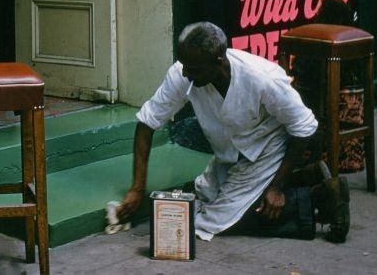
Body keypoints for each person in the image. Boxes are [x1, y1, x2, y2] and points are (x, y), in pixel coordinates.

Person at [116, 22, 350, 243]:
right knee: (205, 198)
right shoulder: (183, 72)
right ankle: (305, 177)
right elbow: (146, 123)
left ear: (219, 62)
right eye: (183, 64)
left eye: (194, 69)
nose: (186, 73)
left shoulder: (261, 79)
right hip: (231, 153)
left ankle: (320, 197)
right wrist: (137, 188)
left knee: (214, 222)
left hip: (268, 146)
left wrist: (276, 187)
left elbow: (305, 126)